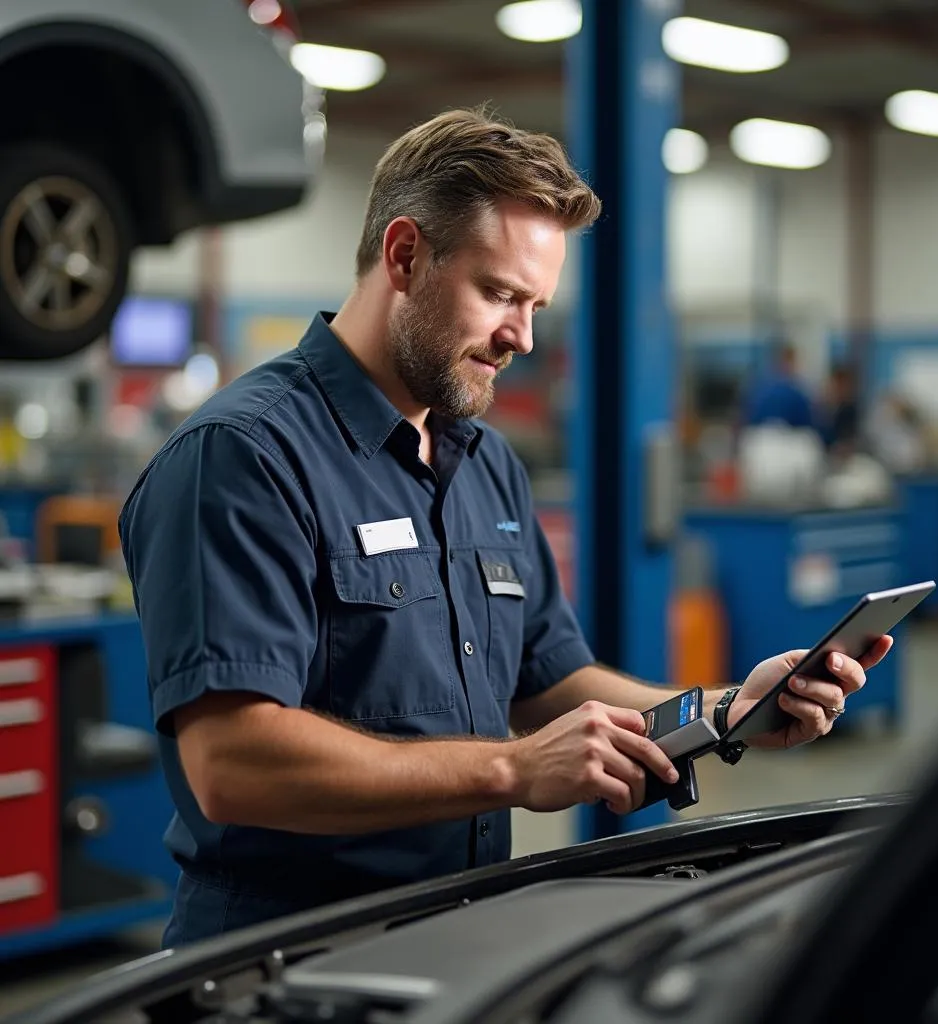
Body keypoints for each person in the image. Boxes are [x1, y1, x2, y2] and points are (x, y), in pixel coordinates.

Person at [119, 109, 892, 948]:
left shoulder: (483, 461)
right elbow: (231, 765)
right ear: (405, 255)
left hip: (459, 935)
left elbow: (547, 681)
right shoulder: (244, 456)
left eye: (536, 304)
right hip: (286, 960)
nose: (521, 336)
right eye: (499, 294)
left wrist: (722, 709)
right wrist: (513, 769)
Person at [742, 342, 816, 430]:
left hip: (760, 439)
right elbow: (807, 424)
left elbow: (746, 419)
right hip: (786, 439)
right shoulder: (796, 394)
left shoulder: (756, 389)